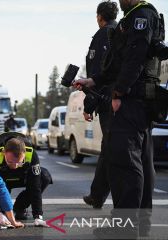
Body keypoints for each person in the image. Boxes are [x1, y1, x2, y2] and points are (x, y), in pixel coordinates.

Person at [74, 0, 164, 237]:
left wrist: (118, 91)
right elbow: (119, 63)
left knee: (124, 163)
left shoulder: (141, 15)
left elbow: (136, 56)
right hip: (136, 101)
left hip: (130, 101)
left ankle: (125, 228)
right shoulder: (134, 16)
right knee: (140, 162)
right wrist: (93, 81)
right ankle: (139, 225)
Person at [82, 0, 119, 209]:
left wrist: (89, 105)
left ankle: (106, 198)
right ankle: (97, 195)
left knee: (112, 150)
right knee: (108, 149)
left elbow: (98, 74)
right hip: (120, 99)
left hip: (107, 101)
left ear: (99, 17)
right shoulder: (121, 32)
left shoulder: (103, 35)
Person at [0, 132, 52, 224]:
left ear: (24, 154)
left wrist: (38, 216)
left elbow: (35, 187)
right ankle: (0, 210)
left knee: (44, 176)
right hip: (1, 179)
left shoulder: (31, 154)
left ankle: (20, 207)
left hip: (22, 177)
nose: (15, 166)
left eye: (19, 162)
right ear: (4, 153)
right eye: (10, 162)